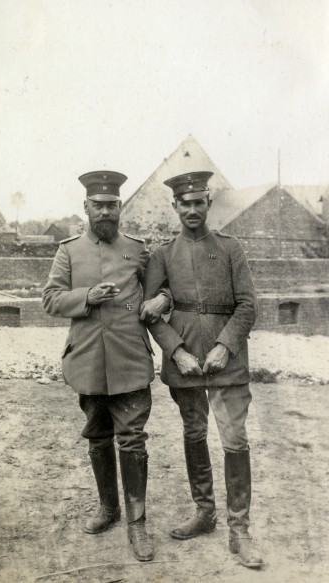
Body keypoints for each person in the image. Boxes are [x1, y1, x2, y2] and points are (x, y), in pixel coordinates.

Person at [42, 170, 169, 562]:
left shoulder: (138, 249)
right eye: (98, 205)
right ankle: (109, 508)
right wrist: (87, 297)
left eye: (112, 205)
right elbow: (50, 299)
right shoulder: (68, 251)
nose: (105, 212)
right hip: (88, 363)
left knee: (132, 441)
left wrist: (163, 299)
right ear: (85, 208)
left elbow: (160, 289)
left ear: (120, 207)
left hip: (130, 360)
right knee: (98, 438)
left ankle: (138, 523)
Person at [142, 171, 263, 569]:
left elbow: (248, 305)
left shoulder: (231, 249)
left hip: (225, 364)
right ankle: (205, 511)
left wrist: (226, 346)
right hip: (186, 365)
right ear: (174, 207)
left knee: (234, 440)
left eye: (199, 202)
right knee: (194, 433)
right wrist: (176, 352)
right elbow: (151, 315)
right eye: (185, 203)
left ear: (209, 204)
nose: (192, 209)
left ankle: (239, 529)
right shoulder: (161, 254)